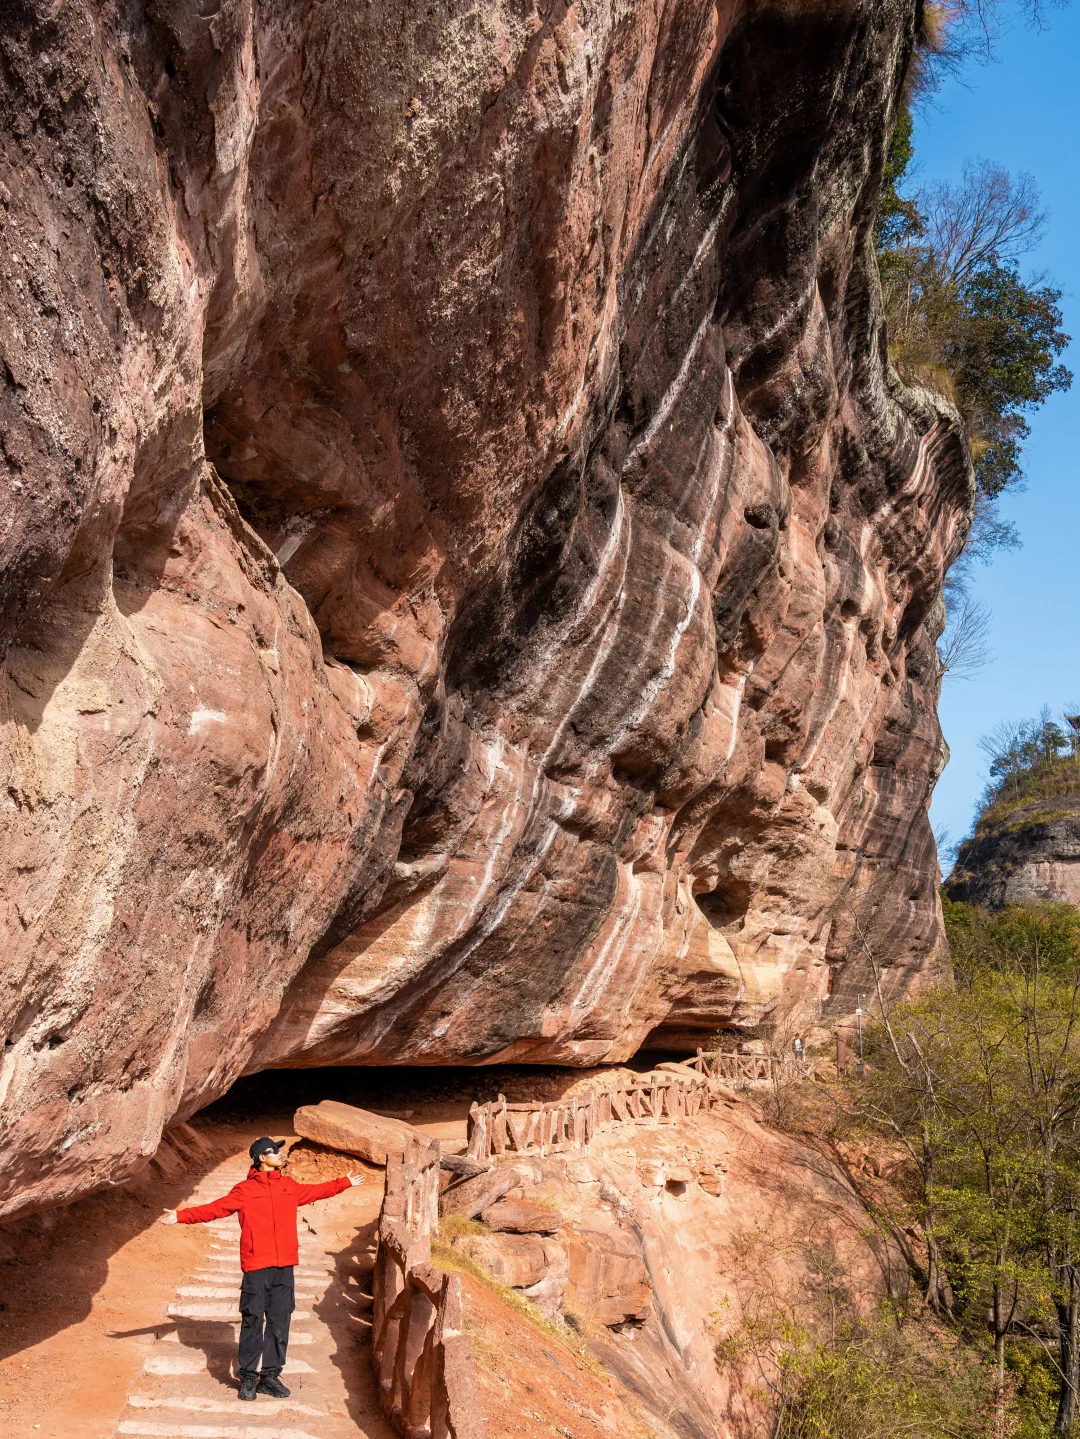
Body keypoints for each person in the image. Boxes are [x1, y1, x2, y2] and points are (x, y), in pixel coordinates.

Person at [159, 1137, 364, 1401]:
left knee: (280, 1321)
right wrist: (181, 1216)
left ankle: (270, 1376)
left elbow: (316, 1191)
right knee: (253, 1319)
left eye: (278, 1150)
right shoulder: (244, 1190)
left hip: (284, 1267)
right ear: (260, 1157)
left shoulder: (289, 1186)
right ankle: (247, 1377)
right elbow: (215, 1209)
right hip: (256, 1266)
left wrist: (343, 1183)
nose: (279, 1153)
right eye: (273, 1151)